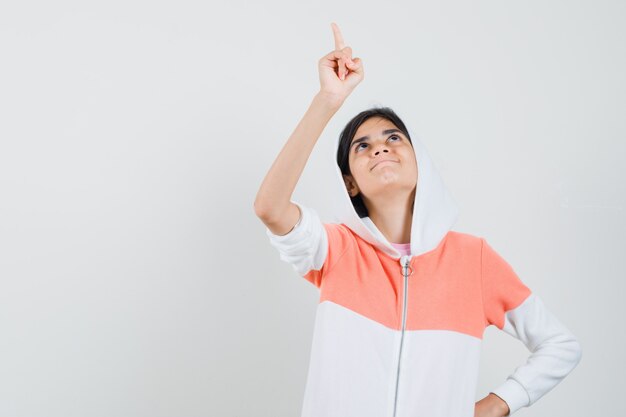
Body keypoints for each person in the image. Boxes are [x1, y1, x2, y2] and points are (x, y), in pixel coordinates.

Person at [253, 22, 582, 417]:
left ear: (419, 160)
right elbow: (271, 207)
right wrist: (328, 99)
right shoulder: (336, 249)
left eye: (393, 138)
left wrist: (498, 404)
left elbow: (561, 345)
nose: (380, 148)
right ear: (350, 184)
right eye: (363, 146)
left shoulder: (473, 259)